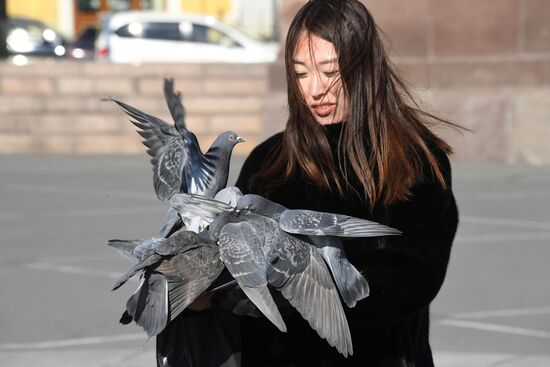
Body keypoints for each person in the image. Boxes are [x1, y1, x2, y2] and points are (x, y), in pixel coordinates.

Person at [233, 0, 460, 366]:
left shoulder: (414, 160)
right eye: (301, 74)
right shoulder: (268, 162)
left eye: (330, 70)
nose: (315, 90)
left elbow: (413, 277)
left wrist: (303, 296)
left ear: (363, 67)